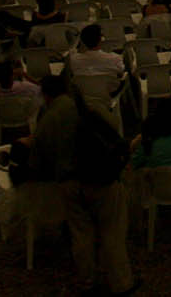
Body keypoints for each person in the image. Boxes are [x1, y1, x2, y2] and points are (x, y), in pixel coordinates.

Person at [26, 75, 135, 295]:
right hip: (101, 179)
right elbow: (113, 130)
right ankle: (121, 282)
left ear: (46, 95)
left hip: (69, 183)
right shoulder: (88, 109)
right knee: (111, 231)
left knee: (81, 234)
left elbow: (38, 158)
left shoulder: (47, 120)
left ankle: (87, 279)